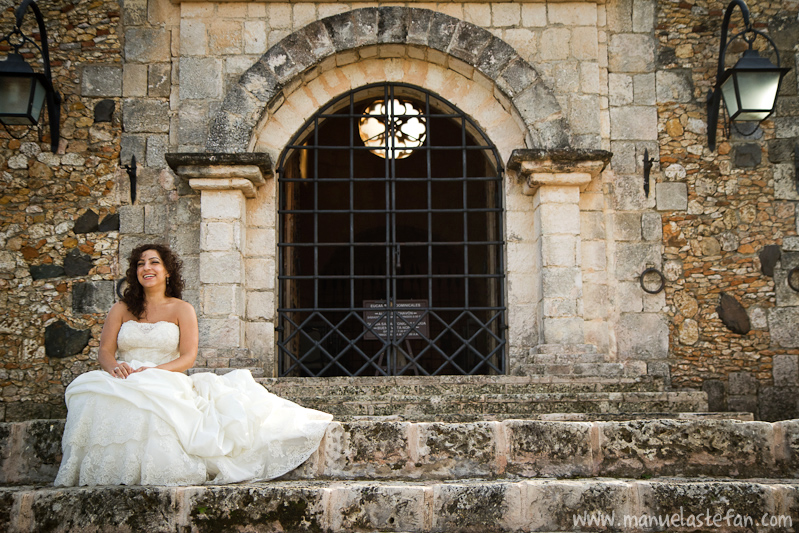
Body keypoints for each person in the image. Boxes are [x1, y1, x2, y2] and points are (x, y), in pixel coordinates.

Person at [54, 243, 333, 486]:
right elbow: (105, 350)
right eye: (140, 264)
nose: (146, 268)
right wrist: (114, 367)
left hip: (164, 374)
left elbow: (188, 357)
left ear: (167, 271)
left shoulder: (181, 309)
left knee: (154, 399)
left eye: (154, 262)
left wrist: (152, 371)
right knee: (91, 394)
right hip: (123, 374)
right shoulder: (121, 308)